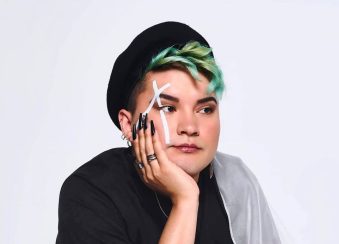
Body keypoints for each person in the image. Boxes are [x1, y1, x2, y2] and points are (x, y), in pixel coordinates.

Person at [56, 21, 281, 244]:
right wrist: (185, 200)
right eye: (168, 108)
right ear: (127, 124)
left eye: (205, 109)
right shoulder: (91, 192)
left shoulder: (235, 181)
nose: (190, 127)